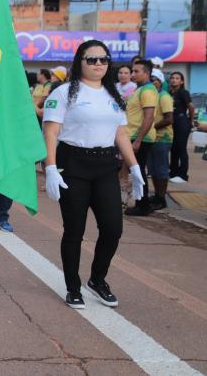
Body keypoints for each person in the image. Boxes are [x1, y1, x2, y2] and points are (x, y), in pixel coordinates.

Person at [43, 40, 143, 309]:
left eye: (103, 59)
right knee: (74, 230)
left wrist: (134, 168)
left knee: (113, 229)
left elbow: (120, 133)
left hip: (105, 166)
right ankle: (72, 287)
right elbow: (51, 131)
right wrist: (50, 167)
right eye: (92, 59)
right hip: (72, 164)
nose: (99, 64)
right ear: (80, 62)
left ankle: (97, 280)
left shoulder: (113, 95)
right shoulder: (64, 93)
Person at [124, 60, 157, 216]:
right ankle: (141, 203)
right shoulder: (140, 89)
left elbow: (149, 117)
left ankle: (142, 205)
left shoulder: (148, 90)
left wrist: (138, 140)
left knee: (138, 171)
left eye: (137, 71)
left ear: (147, 73)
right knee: (137, 170)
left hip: (140, 138)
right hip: (133, 136)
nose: (133, 74)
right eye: (133, 71)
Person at [148, 69, 173, 210]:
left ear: (160, 81)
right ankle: (157, 196)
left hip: (162, 139)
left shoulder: (164, 97)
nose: (152, 82)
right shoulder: (152, 96)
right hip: (152, 138)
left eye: (155, 79)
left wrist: (151, 127)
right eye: (150, 79)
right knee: (153, 169)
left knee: (161, 169)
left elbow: (169, 119)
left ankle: (162, 199)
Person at [169, 71, 194, 183]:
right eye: (172, 78)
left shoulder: (183, 92)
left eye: (177, 78)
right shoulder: (169, 93)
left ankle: (183, 175)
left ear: (182, 81)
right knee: (173, 148)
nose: (174, 80)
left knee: (181, 148)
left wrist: (190, 120)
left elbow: (191, 106)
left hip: (182, 122)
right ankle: (173, 172)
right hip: (172, 123)